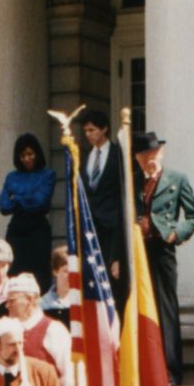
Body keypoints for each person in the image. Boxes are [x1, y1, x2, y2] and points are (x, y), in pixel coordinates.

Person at [133, 131, 194, 385]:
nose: (148, 161)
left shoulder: (176, 179)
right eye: (142, 157)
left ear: (159, 154)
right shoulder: (132, 182)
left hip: (162, 249)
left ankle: (171, 369)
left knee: (165, 308)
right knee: (141, 308)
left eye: (151, 155)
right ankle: (145, 368)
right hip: (138, 251)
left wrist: (176, 234)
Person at [80, 110, 129, 312]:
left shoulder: (118, 154)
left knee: (114, 285)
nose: (88, 134)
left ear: (104, 129)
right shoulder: (86, 158)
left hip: (113, 228)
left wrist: (118, 252)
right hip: (92, 229)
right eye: (86, 131)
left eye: (92, 130)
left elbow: (122, 195)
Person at [0, 133, 58, 294]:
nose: (27, 158)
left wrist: (16, 197)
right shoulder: (12, 176)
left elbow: (41, 202)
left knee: (39, 277)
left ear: (37, 154)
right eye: (23, 155)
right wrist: (28, 198)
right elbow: (4, 206)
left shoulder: (48, 175)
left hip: (38, 232)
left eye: (30, 154)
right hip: (16, 232)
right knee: (14, 275)